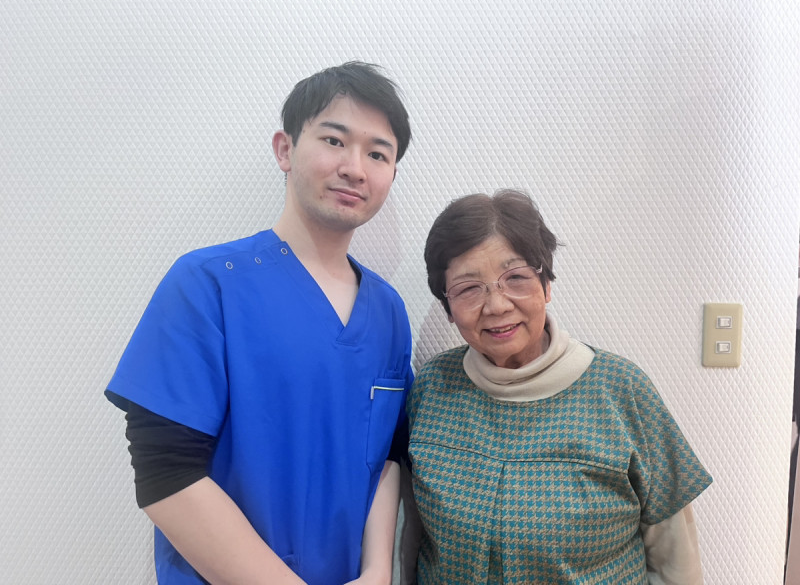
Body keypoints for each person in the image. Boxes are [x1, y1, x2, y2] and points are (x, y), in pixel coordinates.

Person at [105, 61, 413, 585]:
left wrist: (377, 570)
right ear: (285, 149)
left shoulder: (387, 311)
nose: (355, 168)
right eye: (334, 140)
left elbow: (388, 454)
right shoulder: (208, 284)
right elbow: (165, 473)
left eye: (377, 153)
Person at [406, 189, 712, 584]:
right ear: (448, 308)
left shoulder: (621, 391)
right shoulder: (433, 387)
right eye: (468, 289)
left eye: (515, 278)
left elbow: (675, 559)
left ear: (546, 285)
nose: (497, 305)